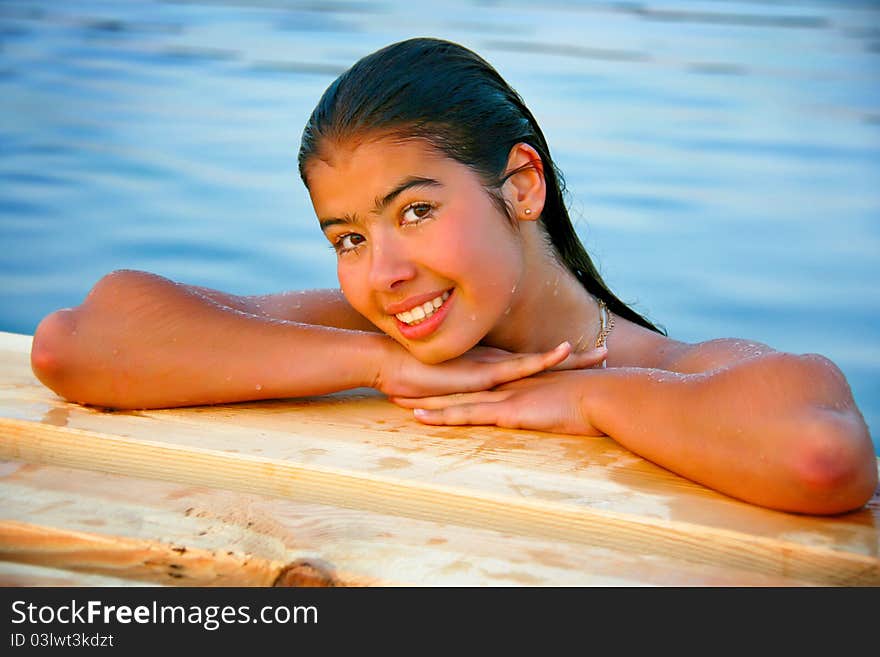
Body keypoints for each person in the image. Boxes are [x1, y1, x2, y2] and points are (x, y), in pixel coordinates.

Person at [30, 38, 876, 516]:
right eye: (348, 237)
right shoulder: (373, 334)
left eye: (416, 212)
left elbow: (819, 452)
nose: (384, 273)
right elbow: (78, 341)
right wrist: (375, 364)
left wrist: (586, 398)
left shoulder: (677, 371)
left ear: (522, 186)